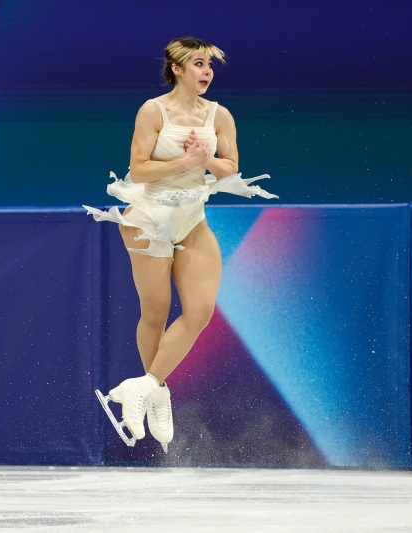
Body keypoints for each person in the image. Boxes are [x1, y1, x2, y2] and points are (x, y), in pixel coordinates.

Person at [83, 37, 277, 453]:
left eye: (209, 65)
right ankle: (159, 392)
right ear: (176, 68)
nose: (206, 72)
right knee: (155, 311)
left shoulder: (220, 115)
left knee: (200, 311)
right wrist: (185, 162)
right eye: (198, 64)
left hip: (192, 217)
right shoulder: (153, 111)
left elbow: (230, 169)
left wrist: (206, 160)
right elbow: (138, 169)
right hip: (148, 217)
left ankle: (146, 386)